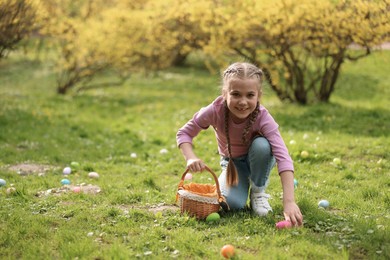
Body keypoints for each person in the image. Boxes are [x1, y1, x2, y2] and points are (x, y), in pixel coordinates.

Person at [176, 62, 303, 226]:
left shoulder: (263, 117)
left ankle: (258, 191)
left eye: (250, 95)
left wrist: (289, 202)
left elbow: (283, 157)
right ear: (224, 94)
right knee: (232, 205)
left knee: (262, 145)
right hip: (232, 164)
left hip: (259, 159)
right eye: (236, 94)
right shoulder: (214, 111)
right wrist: (190, 158)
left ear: (259, 95)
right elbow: (184, 133)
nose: (243, 102)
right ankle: (241, 186)